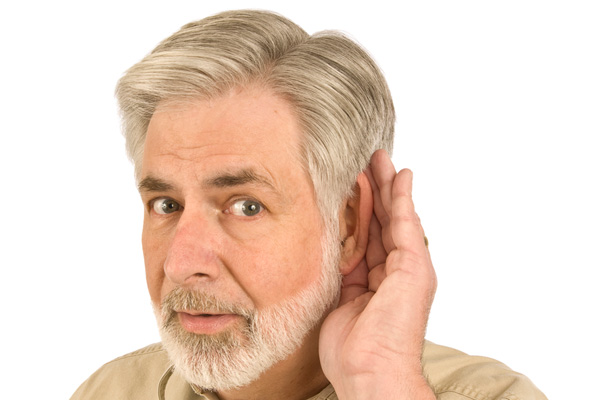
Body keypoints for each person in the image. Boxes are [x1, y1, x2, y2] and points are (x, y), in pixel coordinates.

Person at [71, 9, 546, 400]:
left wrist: (380, 383)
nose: (180, 263)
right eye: (166, 205)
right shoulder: (107, 392)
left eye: (245, 206)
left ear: (347, 225)